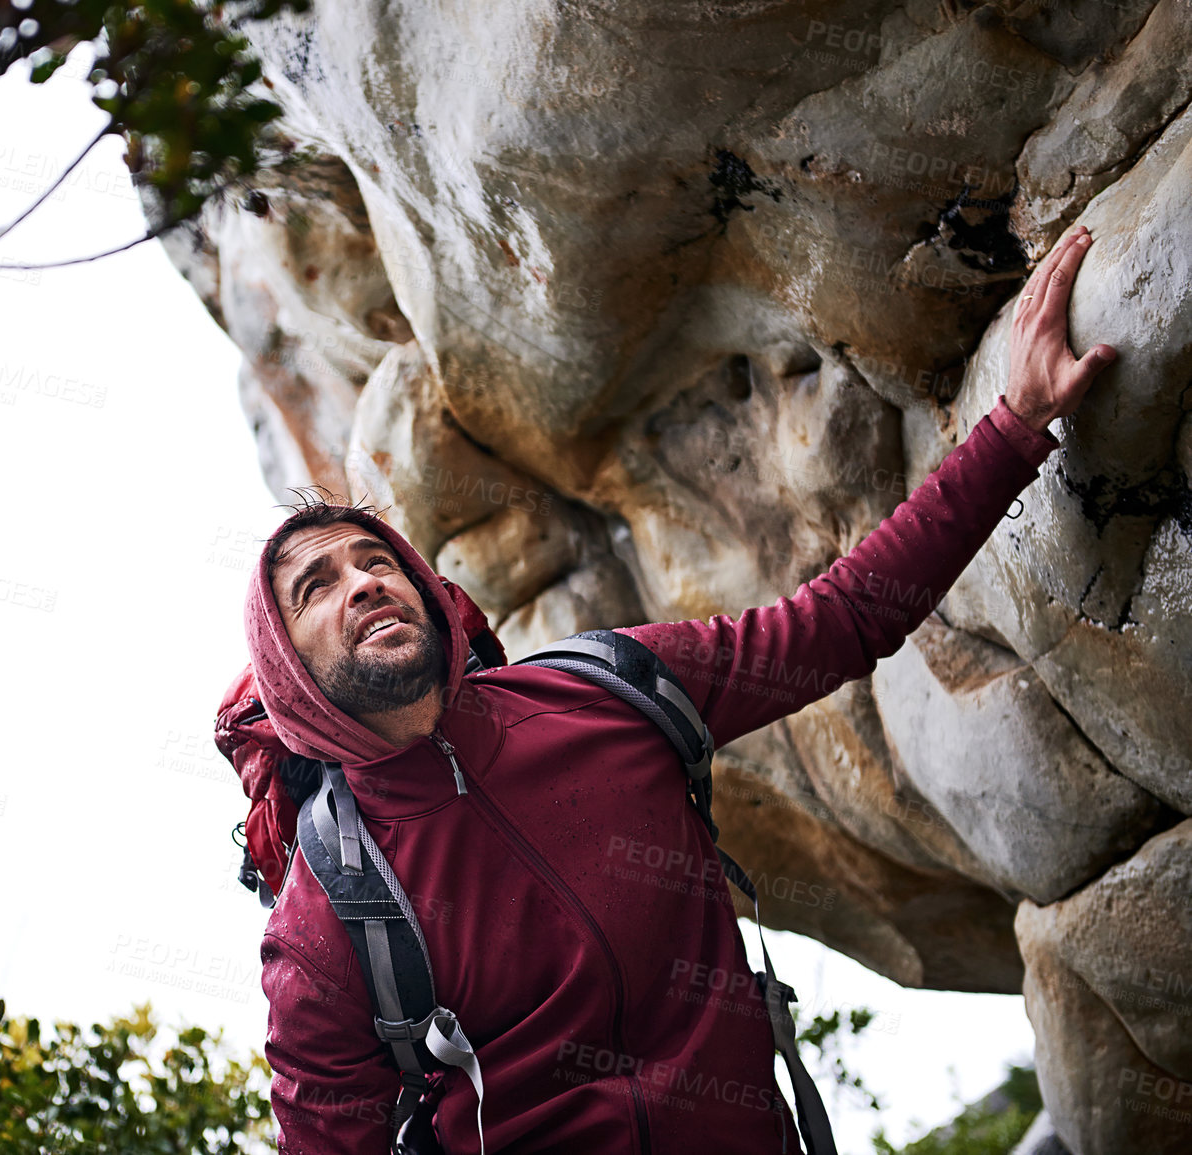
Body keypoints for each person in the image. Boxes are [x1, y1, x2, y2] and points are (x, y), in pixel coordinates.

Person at [218, 224, 1117, 1152]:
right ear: (290, 677)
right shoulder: (329, 924)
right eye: (314, 587)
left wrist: (1013, 426)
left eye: (376, 560)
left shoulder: (608, 689)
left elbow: (840, 619)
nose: (363, 582)